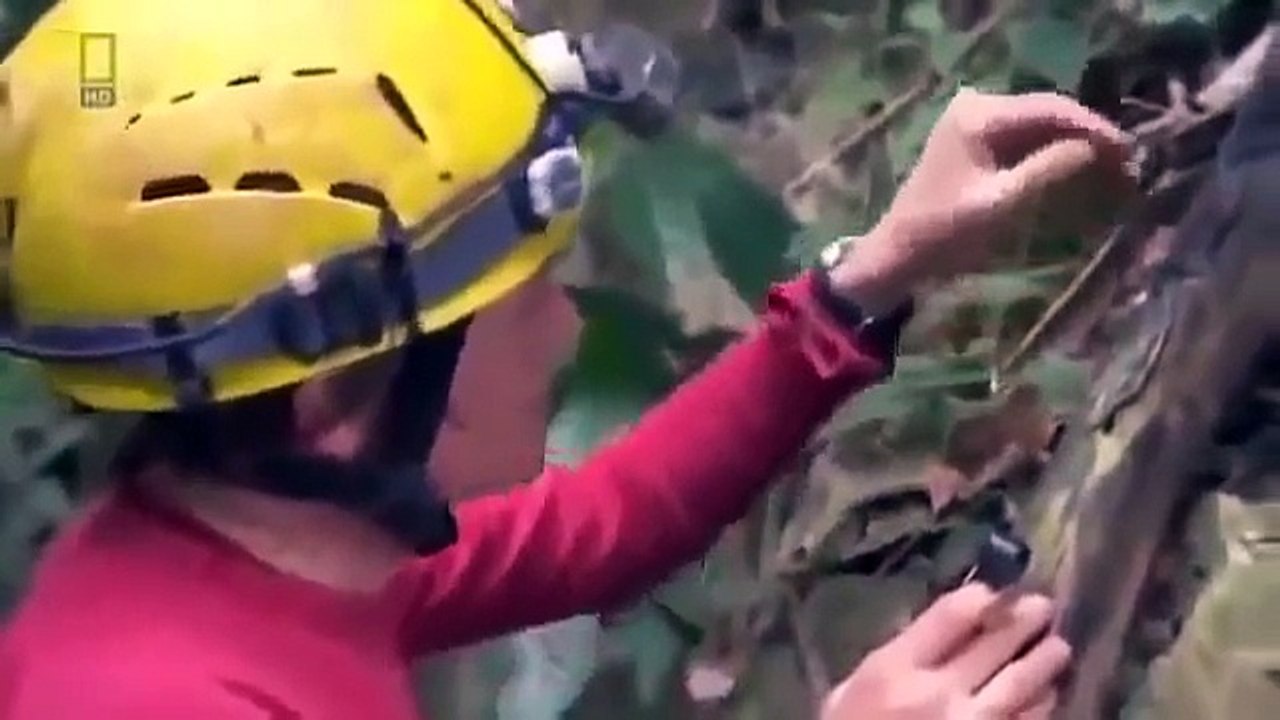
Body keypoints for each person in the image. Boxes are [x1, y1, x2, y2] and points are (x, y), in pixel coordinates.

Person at [0, 2, 1132, 718]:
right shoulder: (144, 698)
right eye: (520, 290)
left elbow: (604, 524)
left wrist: (871, 276)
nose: (567, 329)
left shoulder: (272, 553)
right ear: (328, 400)